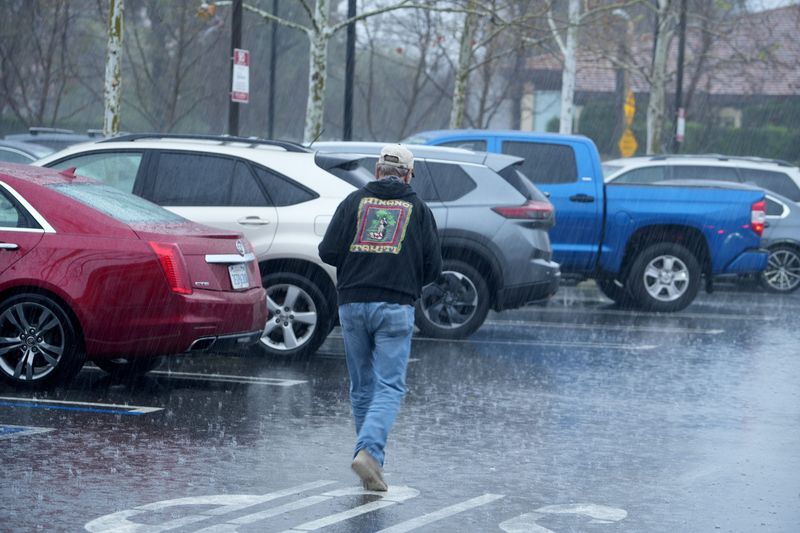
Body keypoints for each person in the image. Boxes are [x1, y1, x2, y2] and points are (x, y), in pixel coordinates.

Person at [318, 144, 442, 491]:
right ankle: (369, 454)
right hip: (395, 306)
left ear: (376, 172)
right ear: (408, 175)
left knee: (362, 387)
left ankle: (370, 461)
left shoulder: (352, 202)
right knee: (389, 386)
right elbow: (434, 267)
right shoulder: (417, 208)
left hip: (353, 303)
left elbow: (327, 251)